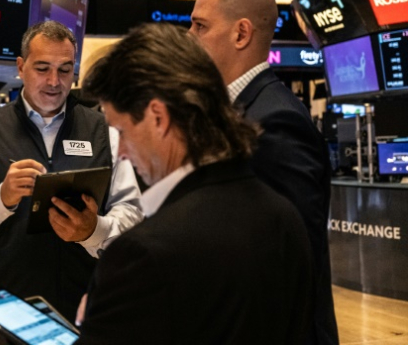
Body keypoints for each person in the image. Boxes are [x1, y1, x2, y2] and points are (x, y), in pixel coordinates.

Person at [77, 23, 313, 344]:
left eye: (121, 130)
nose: (120, 152)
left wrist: (102, 316)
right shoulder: (284, 217)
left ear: (157, 117)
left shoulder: (142, 254)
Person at [0, 21, 143, 340]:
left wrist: (94, 230)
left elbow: (132, 216)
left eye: (64, 69)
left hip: (84, 311)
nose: (54, 81)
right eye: (42, 68)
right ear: (21, 67)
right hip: (7, 315)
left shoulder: (104, 130)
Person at [189, 0, 338, 345]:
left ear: (241, 34)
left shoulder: (275, 120)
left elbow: (288, 261)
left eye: (200, 25)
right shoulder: (233, 110)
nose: (190, 36)